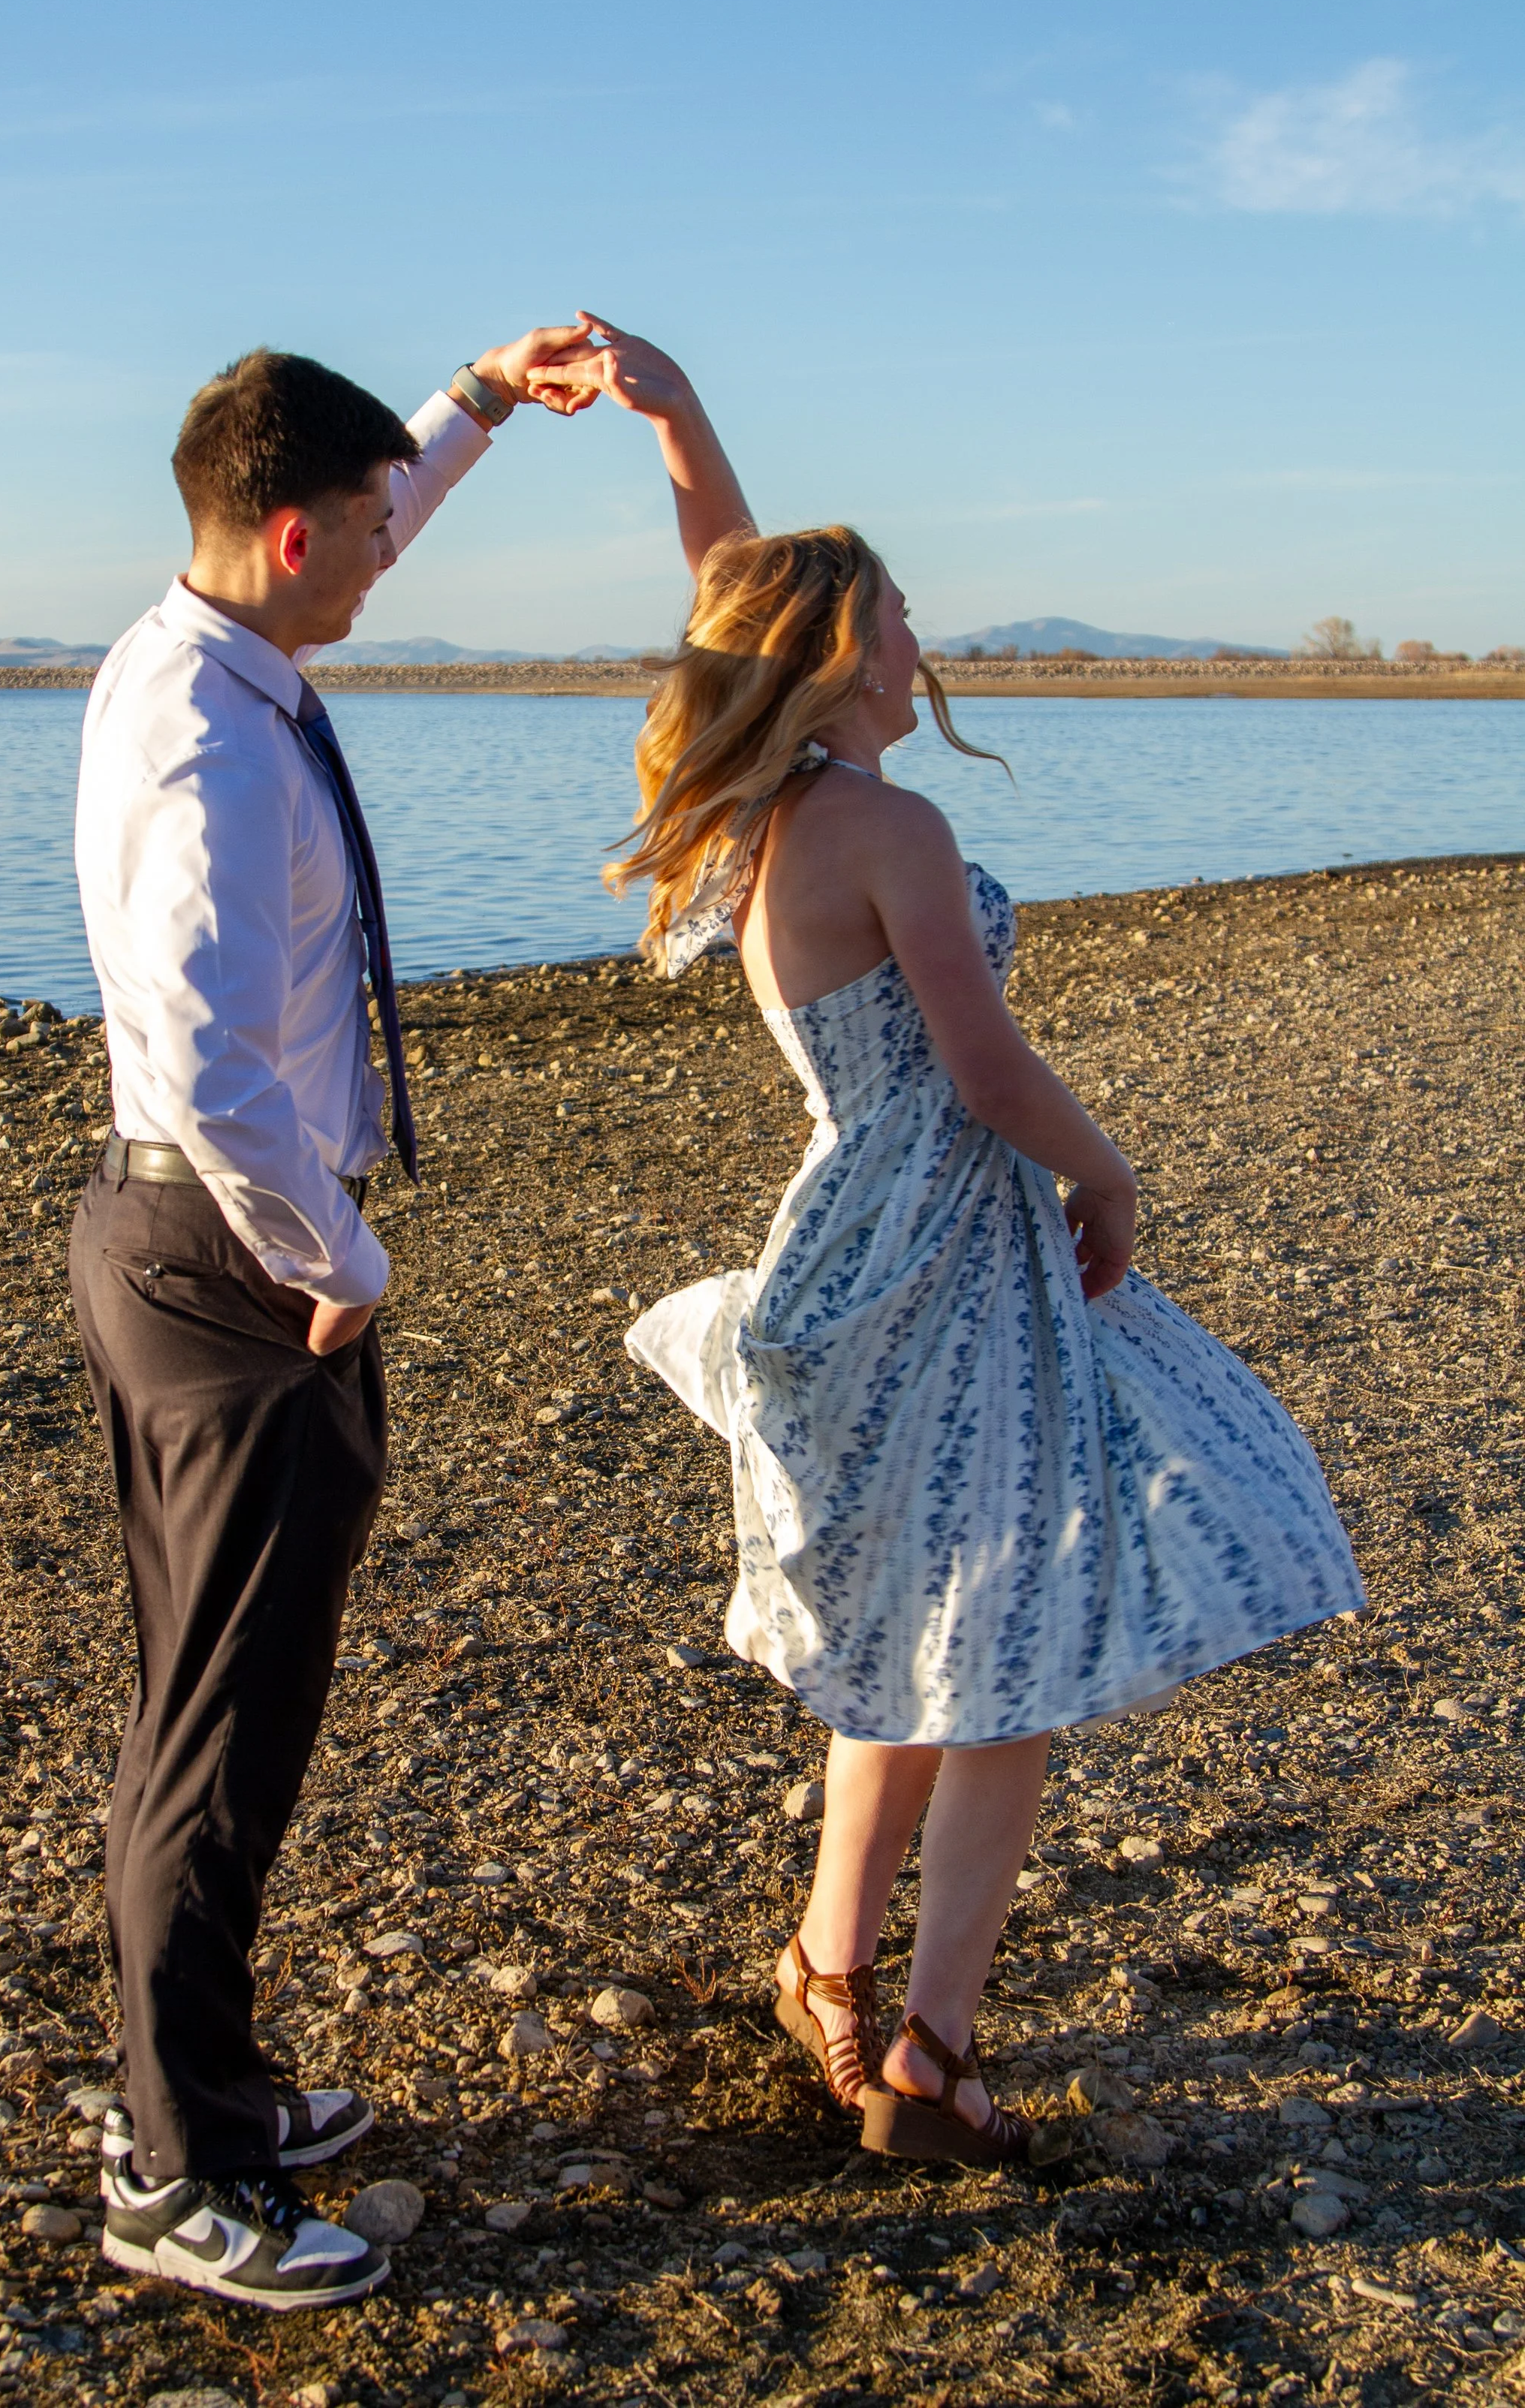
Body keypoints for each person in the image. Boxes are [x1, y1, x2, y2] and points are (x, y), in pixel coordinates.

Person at [534, 324, 1364, 2168]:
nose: (924, 641)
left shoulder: (752, 817)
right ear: (839, 651)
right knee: (1011, 1653)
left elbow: (730, 601)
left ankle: (826, 1976)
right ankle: (924, 2047)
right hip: (951, 1253)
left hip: (849, 1242)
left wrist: (679, 420)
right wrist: (1110, 1175)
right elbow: (984, 1071)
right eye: (899, 616)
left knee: (918, 1629)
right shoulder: (886, 827)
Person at [71, 326, 603, 2310]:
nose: (394, 552)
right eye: (373, 528)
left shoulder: (209, 650)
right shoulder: (209, 742)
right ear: (292, 534)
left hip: (184, 1235)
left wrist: (475, 402)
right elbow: (214, 1067)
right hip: (232, 1257)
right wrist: (338, 1261)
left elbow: (374, 502)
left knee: (201, 1702)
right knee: (221, 1726)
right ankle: (176, 2175)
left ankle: (185, 2085)